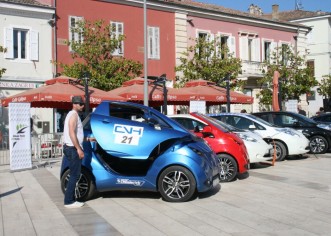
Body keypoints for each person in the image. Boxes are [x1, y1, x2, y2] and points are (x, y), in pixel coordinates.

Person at [62, 96, 94, 208]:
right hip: (73, 149)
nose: (82, 106)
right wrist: (79, 149)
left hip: (71, 148)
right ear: (74, 104)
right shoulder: (74, 115)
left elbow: (76, 134)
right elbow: (72, 133)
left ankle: (70, 199)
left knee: (74, 174)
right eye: (80, 104)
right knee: (74, 175)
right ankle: (69, 201)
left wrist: (88, 139)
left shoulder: (72, 115)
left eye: (82, 104)